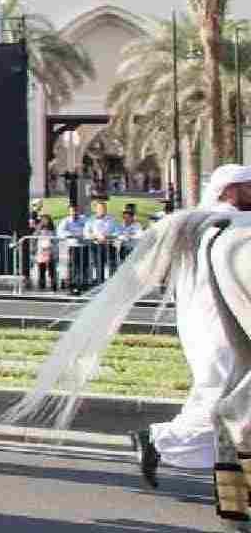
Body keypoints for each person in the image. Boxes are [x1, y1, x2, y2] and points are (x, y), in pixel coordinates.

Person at [134, 164, 251, 488]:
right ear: (229, 189)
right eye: (249, 186)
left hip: (216, 317)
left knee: (222, 396)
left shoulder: (209, 224)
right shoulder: (219, 225)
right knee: (221, 395)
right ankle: (159, 443)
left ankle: (227, 484)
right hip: (214, 320)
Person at [57, 202, 90, 293]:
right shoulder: (66, 221)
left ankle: (83, 284)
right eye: (72, 211)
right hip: (73, 246)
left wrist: (83, 235)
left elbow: (89, 229)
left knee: (84, 266)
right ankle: (73, 286)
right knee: (74, 266)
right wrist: (71, 235)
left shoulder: (84, 219)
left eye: (76, 210)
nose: (74, 212)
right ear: (69, 211)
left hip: (83, 246)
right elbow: (60, 232)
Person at [32, 215, 58, 292]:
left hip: (50, 252)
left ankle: (54, 285)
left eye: (47, 220)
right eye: (44, 220)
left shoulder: (52, 230)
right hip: (41, 252)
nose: (45, 222)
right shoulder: (38, 230)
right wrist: (34, 249)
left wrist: (54, 250)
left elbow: (55, 240)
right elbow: (34, 238)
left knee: (51, 269)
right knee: (42, 269)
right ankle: (41, 284)